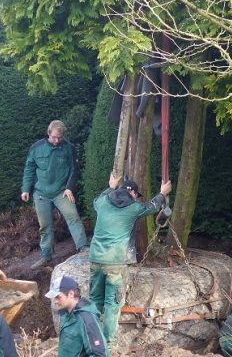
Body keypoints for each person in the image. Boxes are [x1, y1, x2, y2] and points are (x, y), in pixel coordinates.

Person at [88, 173, 172, 352]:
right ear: (133, 193)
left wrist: (111, 186)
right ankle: (107, 347)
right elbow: (153, 206)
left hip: (95, 259)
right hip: (116, 263)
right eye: (137, 194)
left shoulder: (102, 202)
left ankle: (91, 341)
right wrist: (163, 193)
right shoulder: (134, 208)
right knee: (112, 304)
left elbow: (98, 199)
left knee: (95, 300)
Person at [21, 120, 88, 269]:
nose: (57, 141)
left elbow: (74, 170)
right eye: (54, 137)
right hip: (41, 194)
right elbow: (29, 169)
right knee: (45, 226)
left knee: (73, 218)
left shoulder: (69, 148)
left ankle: (83, 248)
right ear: (49, 133)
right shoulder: (36, 148)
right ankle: (46, 256)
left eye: (60, 137)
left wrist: (69, 188)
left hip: (61, 192)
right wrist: (25, 189)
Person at [46, 275, 108, 357]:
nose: (55, 301)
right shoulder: (66, 313)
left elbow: (100, 354)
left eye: (58, 297)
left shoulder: (86, 318)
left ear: (71, 294)